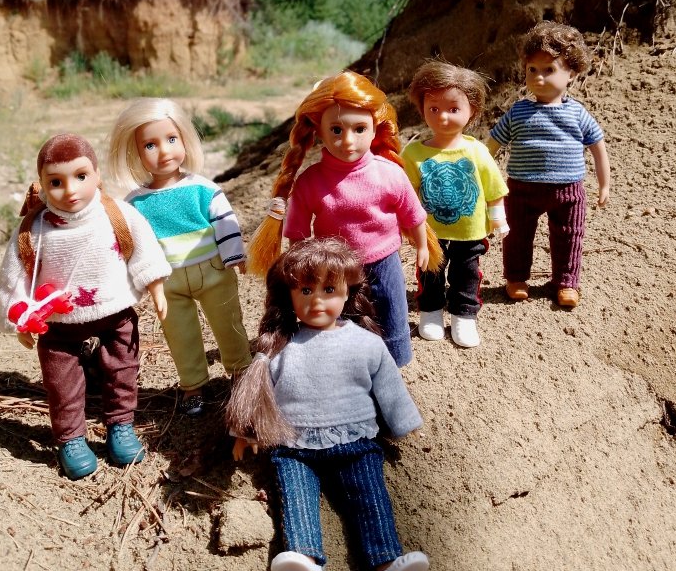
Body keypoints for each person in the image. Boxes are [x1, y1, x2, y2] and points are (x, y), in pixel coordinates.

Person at [227, 237, 430, 571]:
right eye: (305, 289)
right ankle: (303, 560)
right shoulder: (278, 347)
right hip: (292, 447)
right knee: (296, 497)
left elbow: (389, 389)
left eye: (329, 288)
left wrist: (402, 424)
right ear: (288, 295)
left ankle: (386, 565)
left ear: (348, 292)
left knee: (370, 496)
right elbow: (259, 394)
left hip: (354, 442)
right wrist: (247, 432)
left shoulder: (367, 344)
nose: (317, 299)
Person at [0, 134, 171, 480]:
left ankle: (121, 424)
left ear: (97, 175)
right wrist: (20, 317)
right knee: (61, 381)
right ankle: (71, 438)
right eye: (56, 182)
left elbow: (143, 246)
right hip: (58, 323)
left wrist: (156, 286)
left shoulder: (116, 213)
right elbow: (15, 272)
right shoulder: (35, 227)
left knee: (121, 368)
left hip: (114, 311)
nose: (70, 190)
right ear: (42, 184)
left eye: (81, 176)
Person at [247, 71, 442, 367]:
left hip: (385, 259)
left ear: (375, 129)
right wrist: (303, 263)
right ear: (319, 133)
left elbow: (412, 213)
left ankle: (395, 358)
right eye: (336, 130)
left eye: (359, 129)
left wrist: (423, 247)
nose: (348, 140)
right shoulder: (311, 182)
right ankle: (351, 363)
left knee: (392, 306)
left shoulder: (388, 173)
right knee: (345, 314)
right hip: (336, 265)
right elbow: (298, 232)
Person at [108, 98, 252, 417]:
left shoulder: (202, 188)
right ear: (135, 152)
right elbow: (131, 242)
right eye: (150, 144)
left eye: (171, 139)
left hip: (214, 271)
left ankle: (241, 371)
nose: (164, 151)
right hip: (168, 281)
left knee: (228, 323)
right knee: (180, 333)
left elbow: (223, 220)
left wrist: (234, 254)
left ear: (184, 139)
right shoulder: (135, 203)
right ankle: (193, 383)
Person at [487, 21, 611, 307]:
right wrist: (481, 174)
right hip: (521, 189)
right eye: (533, 70)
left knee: (569, 236)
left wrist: (604, 184)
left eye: (549, 70)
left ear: (571, 74)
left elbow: (597, 147)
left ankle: (566, 281)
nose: (539, 77)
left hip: (568, 191)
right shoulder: (518, 112)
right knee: (516, 234)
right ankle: (516, 278)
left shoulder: (577, 113)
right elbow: (491, 146)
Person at [402, 59, 509, 348]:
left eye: (453, 109)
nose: (443, 117)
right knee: (429, 272)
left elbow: (493, 187)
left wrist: (498, 216)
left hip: (470, 231)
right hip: (429, 232)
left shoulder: (476, 151)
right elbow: (406, 193)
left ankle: (464, 316)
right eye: (433, 108)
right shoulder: (413, 153)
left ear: (472, 110)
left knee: (467, 274)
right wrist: (407, 225)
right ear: (422, 108)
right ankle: (430, 312)